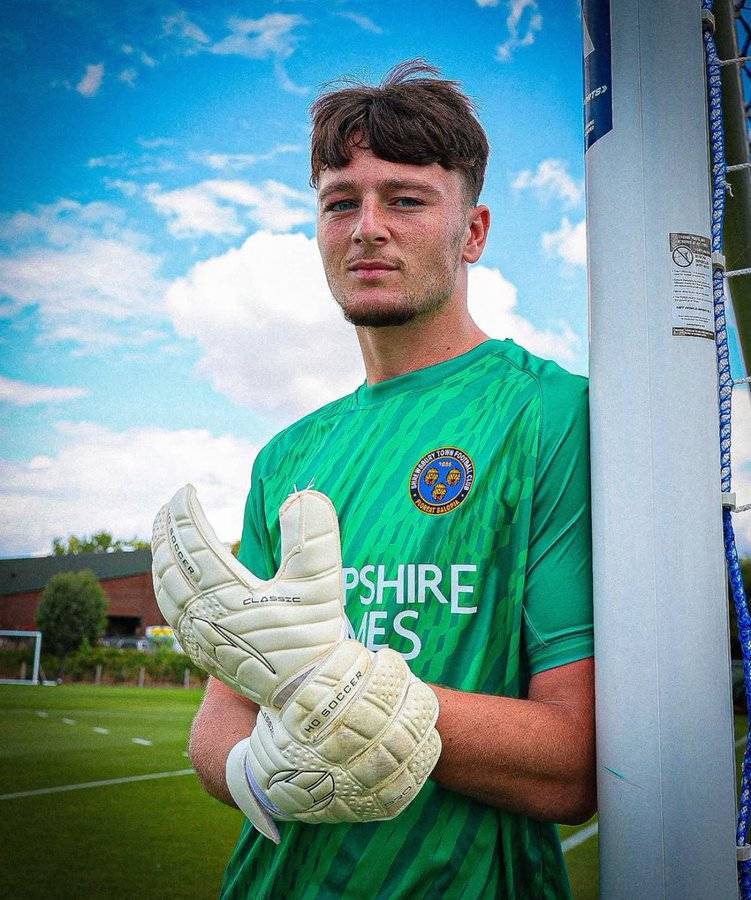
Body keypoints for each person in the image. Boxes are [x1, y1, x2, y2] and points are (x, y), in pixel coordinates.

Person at [189, 59, 595, 899]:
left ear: (472, 232)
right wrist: (257, 773)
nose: (367, 227)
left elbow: (572, 764)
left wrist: (350, 699)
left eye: (406, 200)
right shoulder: (286, 457)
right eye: (341, 202)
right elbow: (220, 720)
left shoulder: (554, 415)